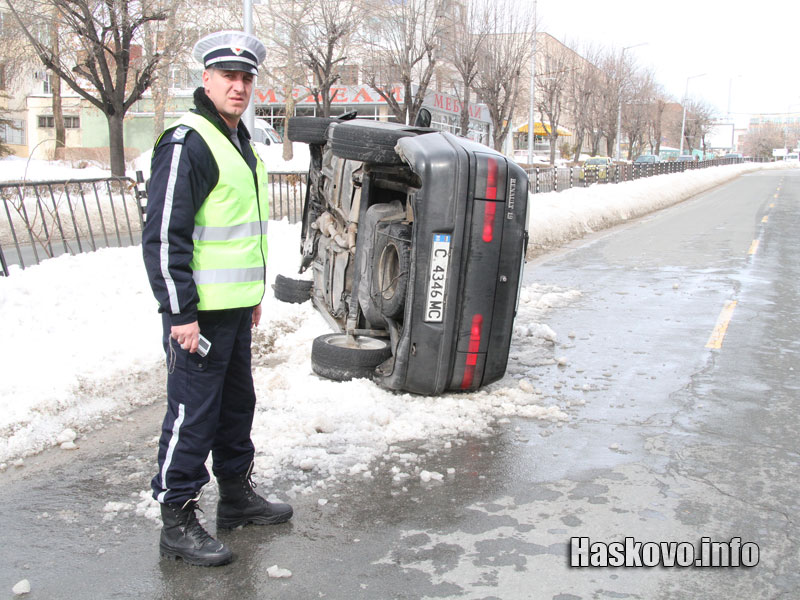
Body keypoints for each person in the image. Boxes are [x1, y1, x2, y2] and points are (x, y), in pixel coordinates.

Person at [142, 30, 293, 567]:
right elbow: (165, 235)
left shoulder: (239, 140)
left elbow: (239, 229)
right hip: (197, 317)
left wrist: (251, 296)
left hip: (232, 309)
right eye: (229, 76)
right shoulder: (189, 140)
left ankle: (235, 497)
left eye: (247, 77)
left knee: (235, 408)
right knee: (192, 414)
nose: (239, 86)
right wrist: (179, 312)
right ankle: (177, 518)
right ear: (206, 79)